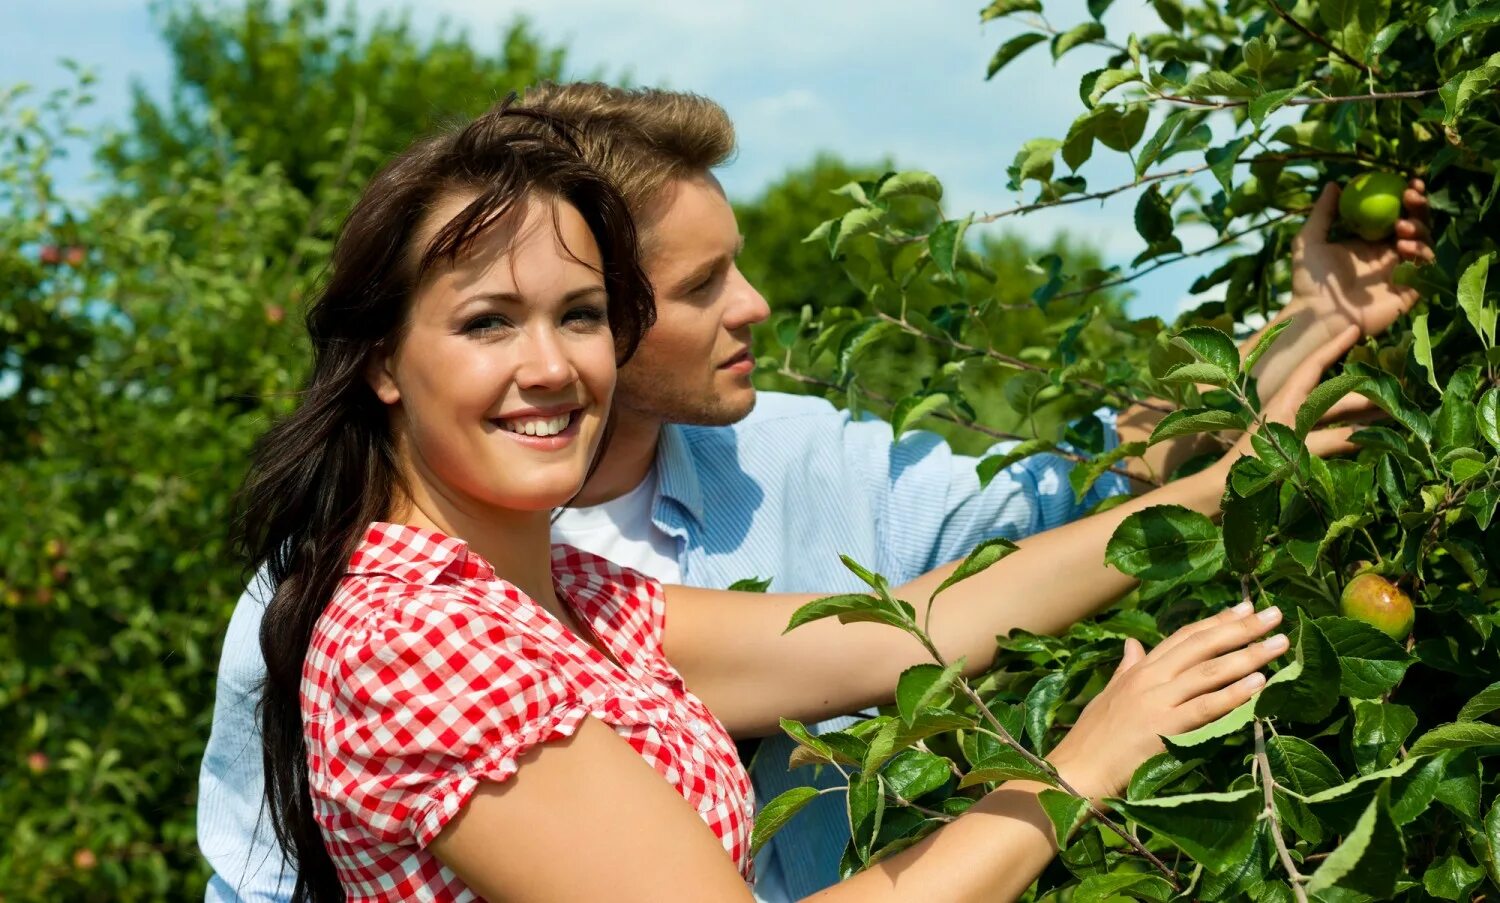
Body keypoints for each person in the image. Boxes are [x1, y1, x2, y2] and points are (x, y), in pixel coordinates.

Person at [197, 84, 1434, 902]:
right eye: (485, 323)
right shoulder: (422, 639)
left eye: (579, 316)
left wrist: (1240, 467)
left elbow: (927, 622)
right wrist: (1072, 772)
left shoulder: (563, 594)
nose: (549, 365)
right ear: (380, 364)